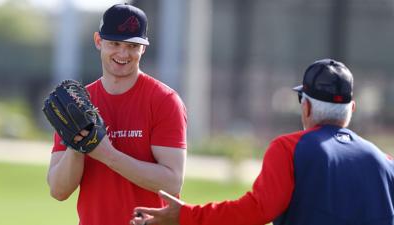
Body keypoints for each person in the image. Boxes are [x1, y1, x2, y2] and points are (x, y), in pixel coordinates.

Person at [131, 59, 394, 225]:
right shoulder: (385, 162)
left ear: (306, 108)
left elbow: (258, 210)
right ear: (353, 108)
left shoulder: (290, 148)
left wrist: (188, 216)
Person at [47, 4, 187, 225]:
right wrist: (78, 145)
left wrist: (106, 154)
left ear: (144, 48)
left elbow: (172, 182)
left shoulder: (164, 101)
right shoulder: (79, 104)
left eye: (132, 46)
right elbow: (58, 190)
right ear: (98, 41)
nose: (123, 53)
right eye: (115, 43)